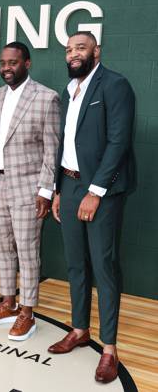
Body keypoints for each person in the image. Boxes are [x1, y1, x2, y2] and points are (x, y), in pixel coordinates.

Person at [48, 31, 135, 384]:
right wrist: (57, 189)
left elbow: (118, 142)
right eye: (69, 50)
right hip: (68, 185)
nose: (73, 54)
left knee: (104, 265)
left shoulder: (115, 85)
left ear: (96, 51)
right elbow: (66, 144)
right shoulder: (69, 90)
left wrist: (95, 191)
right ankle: (80, 328)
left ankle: (110, 349)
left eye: (80, 48)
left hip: (101, 189)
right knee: (75, 263)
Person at [0, 42, 60, 340]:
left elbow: (52, 151)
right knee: (1, 248)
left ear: (27, 63)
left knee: (27, 251)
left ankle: (27, 312)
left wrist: (45, 191)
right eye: (3, 62)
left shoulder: (46, 98)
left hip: (28, 187)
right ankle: (8, 303)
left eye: (12, 62)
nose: (6, 68)